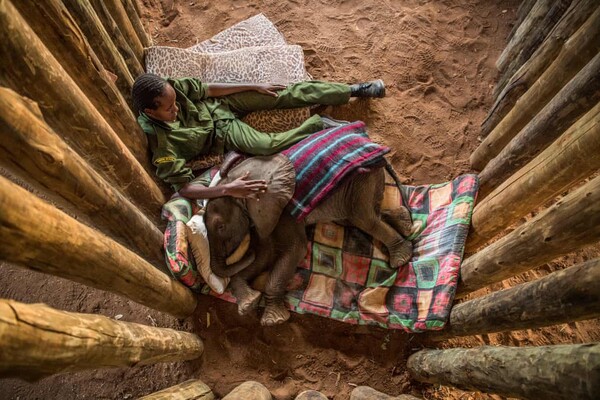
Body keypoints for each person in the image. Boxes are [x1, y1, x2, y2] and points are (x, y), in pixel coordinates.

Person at [132, 74, 386, 199]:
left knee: (281, 94)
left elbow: (207, 89)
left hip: (220, 104)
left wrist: (252, 86)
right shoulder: (160, 142)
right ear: (150, 111)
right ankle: (317, 125)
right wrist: (228, 189)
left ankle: (353, 89)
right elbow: (185, 189)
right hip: (222, 129)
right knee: (265, 146)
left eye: (176, 102)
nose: (176, 109)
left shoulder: (169, 89)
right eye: (169, 109)